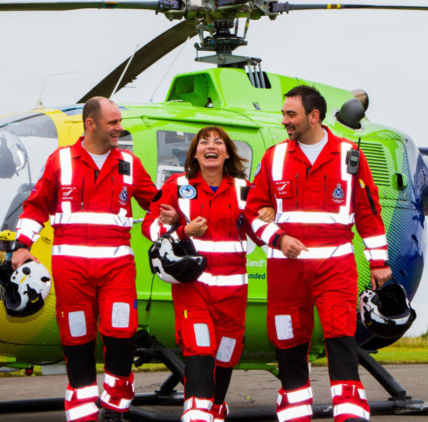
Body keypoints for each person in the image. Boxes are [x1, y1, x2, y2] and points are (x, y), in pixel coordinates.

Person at [244, 85, 392, 422]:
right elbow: (252, 214)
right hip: (286, 269)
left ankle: (350, 410)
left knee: (340, 334)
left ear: (314, 116)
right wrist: (278, 239)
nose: (285, 121)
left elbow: (368, 213)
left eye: (291, 114)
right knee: (287, 337)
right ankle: (295, 409)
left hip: (334, 265)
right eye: (283, 114)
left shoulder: (349, 156)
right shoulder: (274, 157)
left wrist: (379, 262)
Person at [11, 97, 158, 422]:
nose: (120, 128)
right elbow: (36, 206)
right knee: (76, 337)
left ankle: (117, 405)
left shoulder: (130, 164)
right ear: (90, 124)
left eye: (120, 121)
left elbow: (157, 206)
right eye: (113, 123)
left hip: (117, 269)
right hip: (71, 271)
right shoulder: (60, 161)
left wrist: (171, 224)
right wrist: (22, 245)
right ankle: (82, 412)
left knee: (122, 334)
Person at [142, 126, 266, 422]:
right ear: (195, 153)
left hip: (233, 292)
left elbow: (258, 233)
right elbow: (150, 227)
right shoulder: (177, 185)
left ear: (227, 153)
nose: (211, 146)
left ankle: (214, 407)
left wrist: (268, 216)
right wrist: (180, 230)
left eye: (218, 142)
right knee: (199, 346)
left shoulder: (243, 189)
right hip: (193, 287)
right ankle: (197, 411)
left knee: (226, 352)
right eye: (204, 142)